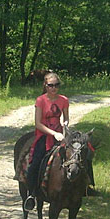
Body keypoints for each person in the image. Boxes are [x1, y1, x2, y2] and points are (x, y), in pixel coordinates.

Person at [24, 71, 70, 211]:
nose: (54, 88)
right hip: (44, 135)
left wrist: (65, 124)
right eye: (51, 85)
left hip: (60, 135)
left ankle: (84, 188)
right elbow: (38, 123)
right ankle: (31, 194)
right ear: (45, 85)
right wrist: (53, 133)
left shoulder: (64, 100)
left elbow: (66, 117)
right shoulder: (40, 100)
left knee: (78, 154)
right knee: (36, 161)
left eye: (57, 85)